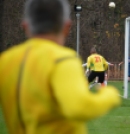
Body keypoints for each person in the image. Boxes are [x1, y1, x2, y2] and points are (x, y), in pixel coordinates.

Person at [0, 0, 121, 134]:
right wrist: (109, 95)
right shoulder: (63, 59)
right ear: (66, 27)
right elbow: (79, 107)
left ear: (25, 26)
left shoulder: (6, 61)